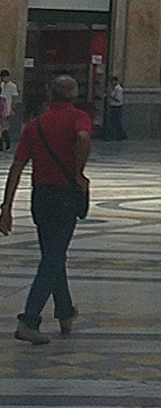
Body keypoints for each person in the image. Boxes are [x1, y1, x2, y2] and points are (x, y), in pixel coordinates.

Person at [0, 74, 91, 344]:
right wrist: (78, 171)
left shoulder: (34, 125)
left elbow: (16, 167)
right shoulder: (78, 118)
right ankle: (29, 320)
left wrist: (6, 207)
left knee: (53, 253)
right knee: (53, 257)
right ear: (74, 97)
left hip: (40, 197)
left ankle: (64, 311)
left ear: (50, 96)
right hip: (65, 196)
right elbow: (84, 137)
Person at [103, 77, 126, 142]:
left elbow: (118, 99)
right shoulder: (114, 89)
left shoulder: (119, 89)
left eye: (113, 81)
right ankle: (120, 134)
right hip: (113, 106)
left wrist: (110, 96)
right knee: (114, 122)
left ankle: (117, 135)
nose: (112, 83)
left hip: (117, 107)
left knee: (115, 122)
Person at [0, 70, 18, 151]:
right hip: (2, 107)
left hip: (7, 108)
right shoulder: (2, 85)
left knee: (4, 128)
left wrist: (12, 108)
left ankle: (7, 143)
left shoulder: (13, 86)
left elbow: (14, 98)